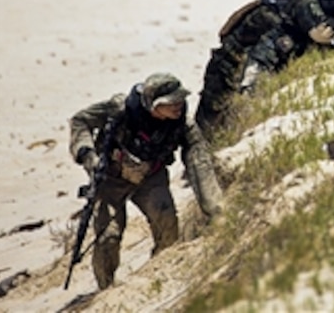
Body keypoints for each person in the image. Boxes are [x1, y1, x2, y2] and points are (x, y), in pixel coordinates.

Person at [68, 73, 223, 290]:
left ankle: (161, 271)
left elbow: (200, 163)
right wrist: (87, 155)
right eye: (171, 102)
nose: (178, 105)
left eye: (180, 99)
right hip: (111, 180)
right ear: (154, 105)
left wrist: (216, 211)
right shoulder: (121, 109)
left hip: (151, 178)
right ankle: (106, 290)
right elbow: (80, 121)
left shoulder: (182, 125)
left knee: (166, 220)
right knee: (107, 238)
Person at [195, 0, 308, 137]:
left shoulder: (272, 8)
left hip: (235, 65)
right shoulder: (266, 15)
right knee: (211, 121)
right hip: (226, 68)